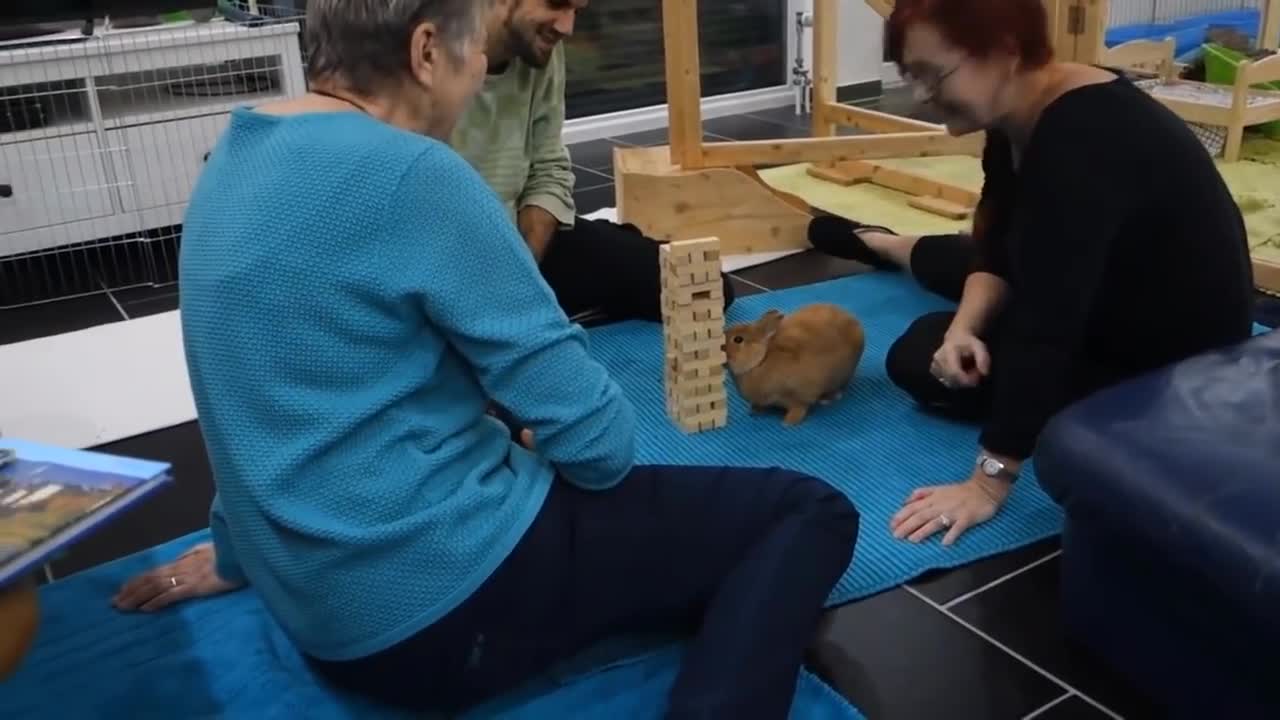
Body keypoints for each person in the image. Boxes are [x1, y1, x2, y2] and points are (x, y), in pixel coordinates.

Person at [109, 2, 859, 717]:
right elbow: (601, 450)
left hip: (317, 614)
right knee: (809, 511)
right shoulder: (418, 175)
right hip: (438, 617)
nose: (479, 77)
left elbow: (248, 399)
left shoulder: (228, 157)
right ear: (428, 51)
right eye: (476, 53)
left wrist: (240, 555)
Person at [808, 0, 1255, 546]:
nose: (922, 94)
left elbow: (1048, 325)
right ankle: (878, 241)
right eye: (910, 76)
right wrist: (963, 328)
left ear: (1006, 52)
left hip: (1174, 369)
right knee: (969, 277)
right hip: (1109, 287)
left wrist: (988, 481)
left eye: (932, 73)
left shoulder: (1084, 139)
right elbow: (997, 250)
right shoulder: (1017, 113)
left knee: (915, 357)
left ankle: (884, 246)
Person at [448, 0, 736, 324]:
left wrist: (523, 274)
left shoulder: (539, 49)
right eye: (557, 4)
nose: (567, 27)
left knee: (705, 287)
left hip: (516, 249)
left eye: (577, 10)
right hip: (437, 264)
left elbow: (548, 167)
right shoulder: (422, 59)